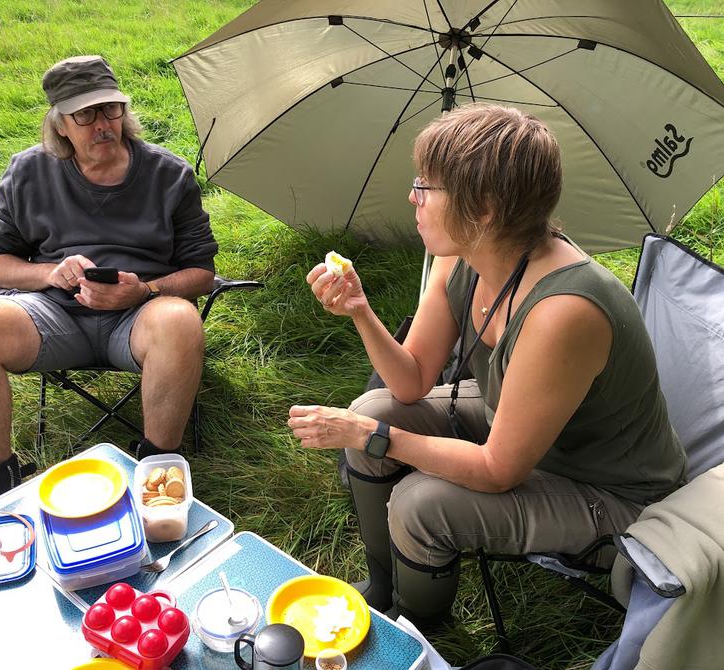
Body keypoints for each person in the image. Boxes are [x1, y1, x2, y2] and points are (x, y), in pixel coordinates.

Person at [287, 104, 686, 630]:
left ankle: (418, 628)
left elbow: (498, 470)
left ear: (484, 210)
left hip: (613, 493)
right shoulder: (465, 257)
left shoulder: (563, 311)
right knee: (376, 404)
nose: (413, 196)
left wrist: (371, 437)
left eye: (427, 186)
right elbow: (410, 380)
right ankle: (384, 589)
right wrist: (360, 310)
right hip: (528, 432)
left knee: (418, 502)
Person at [0, 55, 217, 503]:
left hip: (139, 317)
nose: (102, 124)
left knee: (179, 320)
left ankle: (157, 480)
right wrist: (49, 271)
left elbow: (203, 273)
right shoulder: (29, 171)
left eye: (110, 109)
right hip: (51, 315)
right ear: (60, 124)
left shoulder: (169, 174)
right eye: (84, 114)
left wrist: (145, 290)